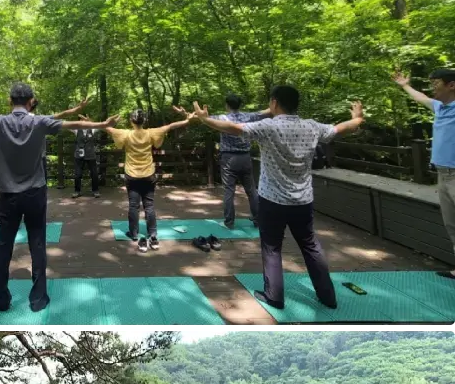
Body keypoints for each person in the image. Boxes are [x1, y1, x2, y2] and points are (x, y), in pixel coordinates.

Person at [0, 85, 118, 312]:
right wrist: (102, 125)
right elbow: (72, 124)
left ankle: (2, 299)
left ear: (10, 100)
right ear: (31, 101)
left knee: (4, 246)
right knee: (37, 244)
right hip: (35, 193)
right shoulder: (39, 122)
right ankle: (38, 300)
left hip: (8, 196)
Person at [194, 88, 365, 310]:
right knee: (310, 246)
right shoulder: (311, 126)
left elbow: (234, 128)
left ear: (275, 103)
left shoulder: (268, 127)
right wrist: (358, 119)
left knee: (272, 247)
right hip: (303, 201)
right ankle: (328, 297)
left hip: (272, 201)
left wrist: (206, 120)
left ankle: (274, 296)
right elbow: (340, 129)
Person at [393, 69, 455, 278]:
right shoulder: (439, 107)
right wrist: (404, 85)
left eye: (436, 83)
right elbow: (422, 98)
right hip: (443, 175)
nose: (432, 87)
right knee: (451, 225)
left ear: (451, 85)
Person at [106, 110, 196, 252]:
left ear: (131, 121)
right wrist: (187, 120)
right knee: (149, 205)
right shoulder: (151, 133)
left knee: (133, 205)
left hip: (132, 175)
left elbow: (105, 127)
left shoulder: (125, 134)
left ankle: (134, 234)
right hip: (149, 174)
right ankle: (152, 235)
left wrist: (92, 121)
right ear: (144, 121)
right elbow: (171, 126)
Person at [177, 96, 268, 228]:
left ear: (227, 105)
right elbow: (264, 113)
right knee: (251, 190)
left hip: (229, 158)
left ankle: (229, 222)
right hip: (245, 157)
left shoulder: (222, 119)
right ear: (240, 105)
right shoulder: (249, 116)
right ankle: (258, 220)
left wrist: (185, 114)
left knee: (229, 190)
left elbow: (201, 119)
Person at [72, 124, 100, 198]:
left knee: (94, 174)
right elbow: (67, 126)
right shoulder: (76, 130)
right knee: (78, 174)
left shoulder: (92, 129)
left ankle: (95, 190)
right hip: (79, 155)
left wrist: (90, 121)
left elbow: (99, 126)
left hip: (91, 155)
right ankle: (77, 191)